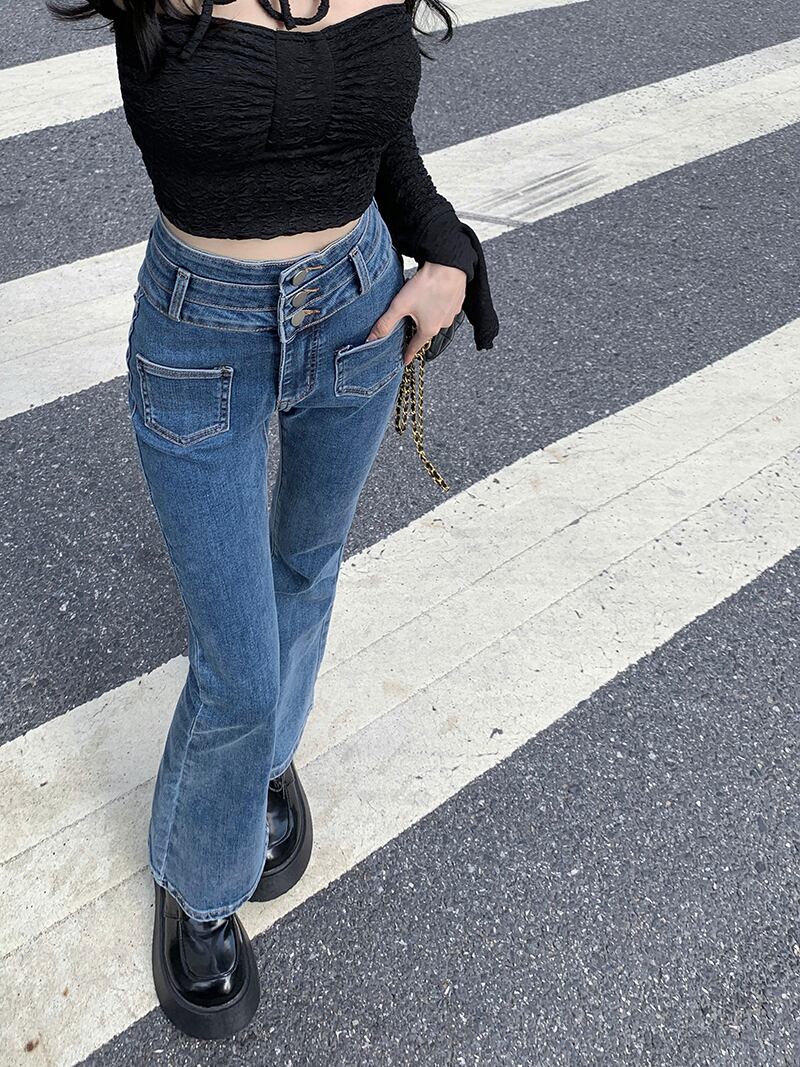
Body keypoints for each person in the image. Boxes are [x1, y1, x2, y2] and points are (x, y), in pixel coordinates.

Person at [47, 0, 500, 1040]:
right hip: (197, 334)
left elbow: (369, 115)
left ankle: (262, 761)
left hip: (356, 307)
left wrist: (442, 247)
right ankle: (201, 884)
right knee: (239, 666)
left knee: (306, 565)